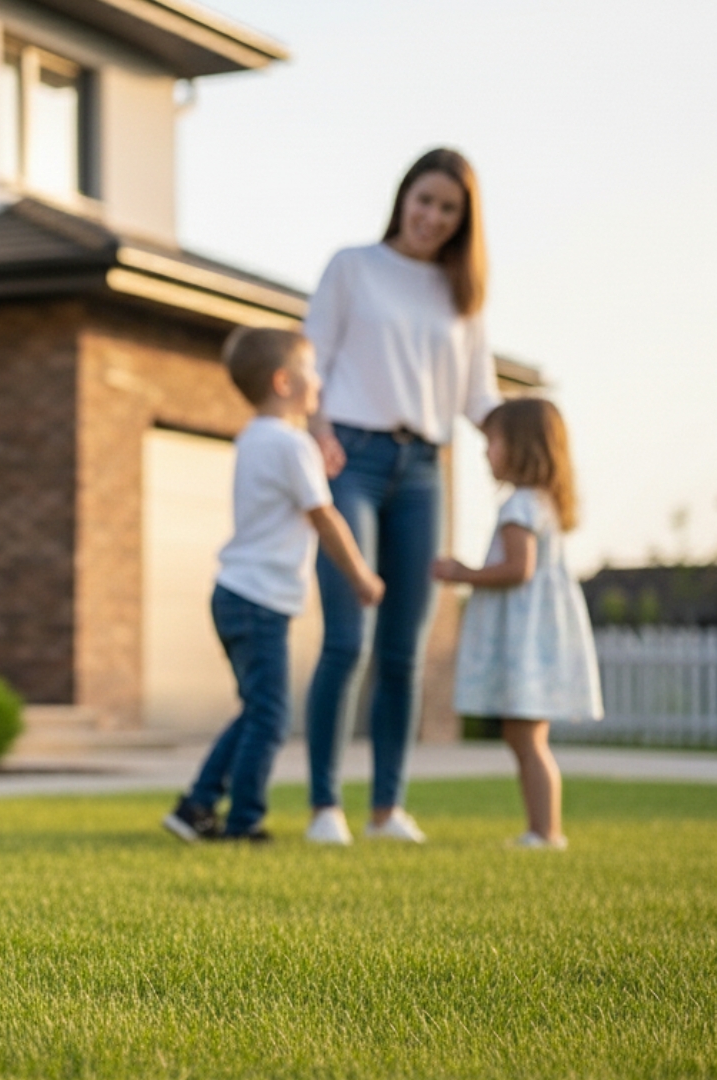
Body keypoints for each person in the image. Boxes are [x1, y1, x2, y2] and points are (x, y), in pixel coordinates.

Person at [300, 148, 503, 845]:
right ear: (403, 197)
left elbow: (481, 397)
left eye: (449, 209)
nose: (432, 217)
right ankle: (325, 806)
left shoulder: (463, 298)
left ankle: (388, 809)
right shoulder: (352, 266)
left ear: (462, 221)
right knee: (348, 637)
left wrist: (527, 440)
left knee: (404, 651)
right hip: (349, 456)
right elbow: (311, 363)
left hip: (424, 469)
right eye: (425, 200)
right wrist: (318, 433)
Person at [165, 328, 383, 844]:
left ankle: (196, 804)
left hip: (234, 595)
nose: (320, 382)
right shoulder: (292, 444)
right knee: (271, 717)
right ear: (284, 382)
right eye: (312, 371)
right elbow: (324, 517)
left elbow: (293, 492)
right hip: (260, 601)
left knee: (257, 711)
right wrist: (361, 576)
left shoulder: (257, 438)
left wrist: (313, 465)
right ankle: (244, 823)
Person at [433, 399, 601, 849]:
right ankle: (542, 829)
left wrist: (461, 573)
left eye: (493, 442)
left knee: (526, 739)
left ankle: (545, 832)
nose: (486, 452)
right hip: (541, 635)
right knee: (526, 737)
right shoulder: (544, 504)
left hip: (527, 639)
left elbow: (517, 569)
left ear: (522, 447)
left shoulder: (520, 506)